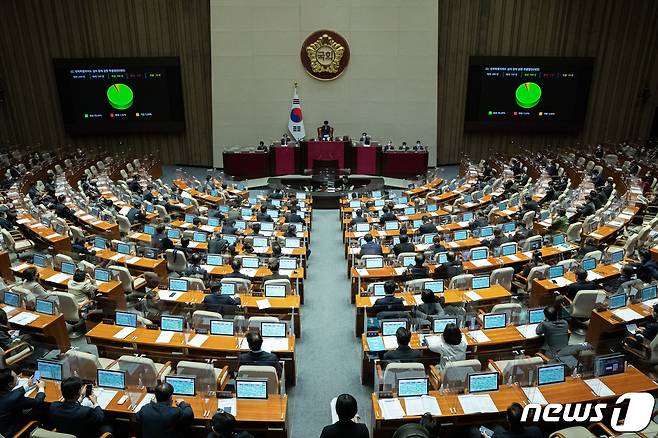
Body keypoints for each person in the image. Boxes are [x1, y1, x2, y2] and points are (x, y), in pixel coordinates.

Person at [0, 368, 45, 437]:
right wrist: (41, 388)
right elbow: (37, 401)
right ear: (10, 384)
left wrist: (27, 386)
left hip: (3, 428)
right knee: (39, 411)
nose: (18, 378)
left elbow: (13, 395)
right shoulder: (14, 399)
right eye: (16, 377)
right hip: (11, 432)